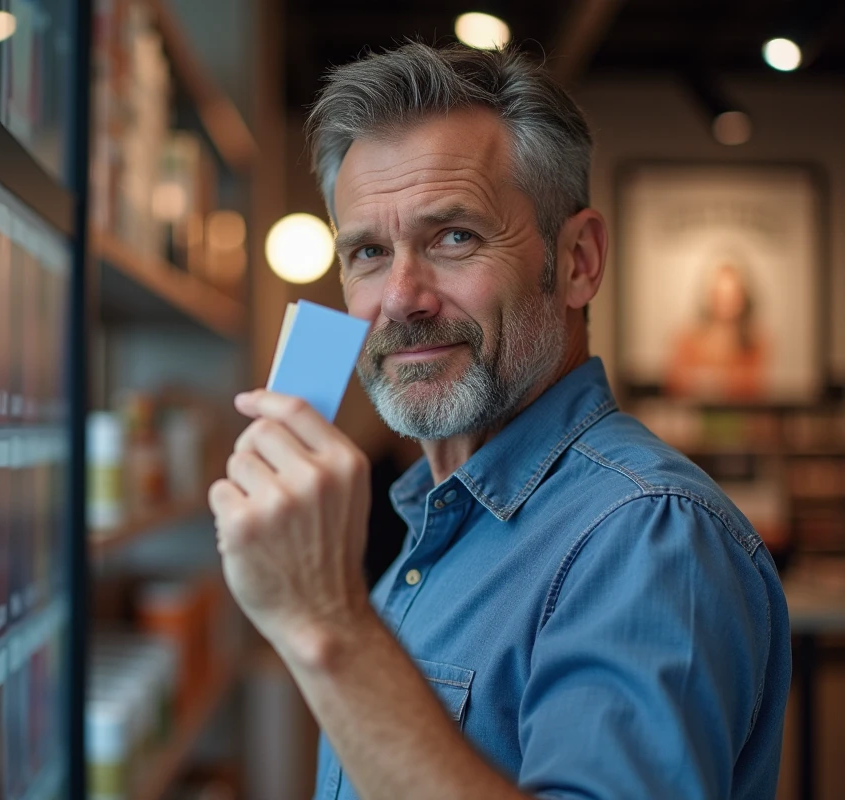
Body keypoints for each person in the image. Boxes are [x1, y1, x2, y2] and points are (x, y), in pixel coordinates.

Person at [208, 43, 790, 800]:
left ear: (578, 260)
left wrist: (328, 626)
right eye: (370, 252)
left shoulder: (649, 537)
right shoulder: (435, 522)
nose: (402, 298)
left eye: (455, 237)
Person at [666, 258, 769, 400]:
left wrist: (710, 381)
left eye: (732, 294)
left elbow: (755, 387)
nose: (725, 302)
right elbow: (675, 384)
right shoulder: (687, 340)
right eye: (719, 294)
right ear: (709, 295)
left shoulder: (755, 343)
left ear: (743, 297)